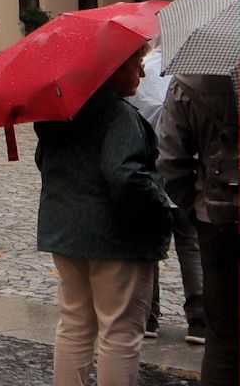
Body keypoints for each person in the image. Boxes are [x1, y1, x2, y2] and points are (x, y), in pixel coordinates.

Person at [35, 45, 173, 386]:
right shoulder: (119, 115)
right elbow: (125, 175)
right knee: (120, 332)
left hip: (66, 232)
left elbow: (44, 162)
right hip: (116, 237)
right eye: (136, 65)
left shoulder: (58, 113)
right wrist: (161, 204)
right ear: (112, 69)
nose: (142, 74)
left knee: (75, 325)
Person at [157, 73, 238, 386]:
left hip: (218, 217)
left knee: (224, 340)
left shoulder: (191, 80)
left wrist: (194, 203)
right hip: (214, 218)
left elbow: (170, 158)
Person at [126, 47, 205, 344]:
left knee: (148, 248)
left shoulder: (140, 70)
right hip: (185, 172)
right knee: (191, 246)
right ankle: (199, 320)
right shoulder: (192, 71)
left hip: (147, 171)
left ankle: (148, 316)